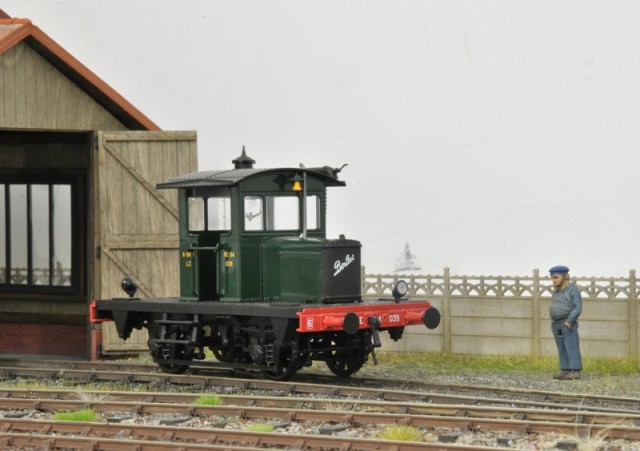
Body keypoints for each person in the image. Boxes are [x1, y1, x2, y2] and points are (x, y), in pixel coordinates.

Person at [548, 265, 583, 380]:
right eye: (552, 278)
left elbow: (577, 307)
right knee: (561, 347)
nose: (553, 280)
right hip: (556, 324)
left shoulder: (572, 289)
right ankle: (565, 369)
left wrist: (569, 321)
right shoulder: (557, 291)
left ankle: (576, 370)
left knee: (571, 346)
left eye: (556, 277)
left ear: (565, 276)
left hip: (567, 323)